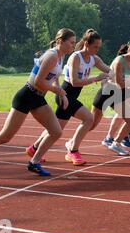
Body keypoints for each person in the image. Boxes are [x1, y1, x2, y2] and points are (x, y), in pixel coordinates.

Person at [0, 29, 76, 179]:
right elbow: (38, 81)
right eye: (71, 43)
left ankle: (34, 162)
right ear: (60, 41)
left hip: (38, 98)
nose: (73, 46)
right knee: (5, 136)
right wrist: (59, 92)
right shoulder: (51, 56)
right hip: (26, 96)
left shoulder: (61, 56)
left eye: (74, 43)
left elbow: (53, 76)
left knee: (56, 131)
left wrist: (59, 90)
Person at [26, 29, 110, 166]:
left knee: (56, 128)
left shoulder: (94, 59)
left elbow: (109, 70)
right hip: (65, 94)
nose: (97, 49)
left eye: (99, 47)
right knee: (89, 119)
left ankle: (34, 148)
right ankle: (73, 149)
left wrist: (123, 75)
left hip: (71, 96)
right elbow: (74, 81)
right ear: (86, 44)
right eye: (95, 46)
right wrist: (96, 79)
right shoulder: (76, 57)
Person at [91, 39, 130, 156]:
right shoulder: (119, 61)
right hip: (107, 92)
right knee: (91, 124)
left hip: (117, 94)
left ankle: (116, 143)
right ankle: (72, 143)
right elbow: (119, 83)